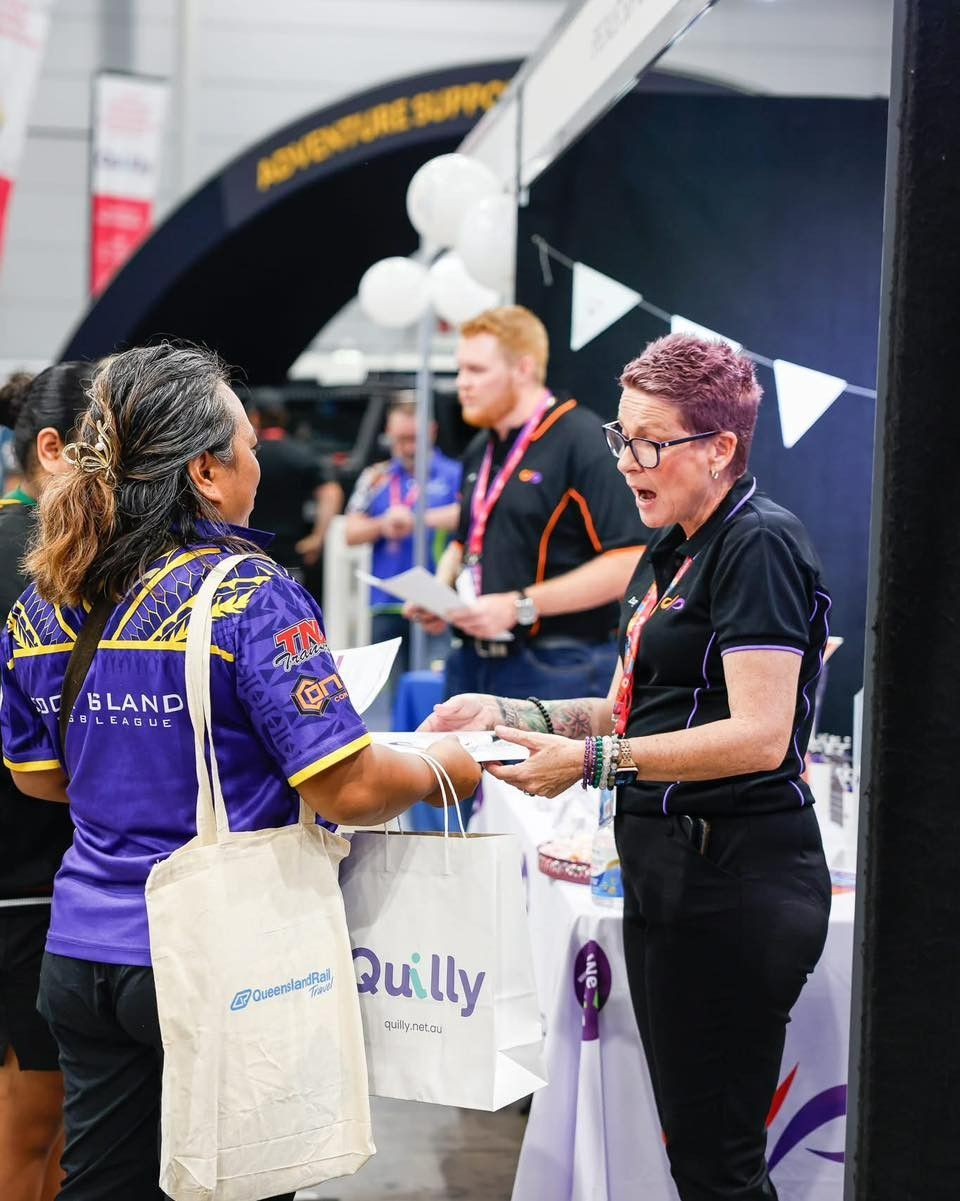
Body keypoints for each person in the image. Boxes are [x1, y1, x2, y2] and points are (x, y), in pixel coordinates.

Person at [0, 343, 481, 1201]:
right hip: (220, 953)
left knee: (101, 1184)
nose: (261, 459)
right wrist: (447, 765)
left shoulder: (49, 589)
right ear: (206, 472)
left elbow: (39, 775)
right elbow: (347, 787)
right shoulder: (246, 594)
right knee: (241, 1186)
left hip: (79, 952)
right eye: (250, 444)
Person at [422, 333, 833, 1201]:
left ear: (720, 447)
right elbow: (627, 710)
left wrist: (595, 762)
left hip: (735, 882)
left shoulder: (757, 544)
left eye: (652, 442)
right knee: (696, 1153)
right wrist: (514, 714)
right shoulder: (673, 543)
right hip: (670, 877)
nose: (629, 462)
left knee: (718, 1165)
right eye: (623, 438)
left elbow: (760, 735)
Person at [407, 305, 647, 703]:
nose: (462, 383)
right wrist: (440, 593)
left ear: (522, 369)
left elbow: (630, 559)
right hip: (470, 661)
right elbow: (463, 541)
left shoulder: (582, 441)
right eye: (460, 369)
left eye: (477, 370)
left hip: (558, 665)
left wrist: (520, 606)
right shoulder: (481, 447)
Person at [0, 362, 94, 1201]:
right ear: (56, 450)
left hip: (30, 883)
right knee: (37, 1138)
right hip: (32, 886)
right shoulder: (41, 566)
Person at [345, 396, 461, 674]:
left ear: (431, 431)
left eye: (414, 438)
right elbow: (350, 532)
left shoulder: (454, 473)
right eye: (400, 439)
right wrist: (383, 525)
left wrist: (417, 521)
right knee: (389, 699)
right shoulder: (375, 476)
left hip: (437, 600)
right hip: (386, 601)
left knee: (436, 689)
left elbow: (469, 515)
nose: (408, 447)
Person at [248, 397, 344, 580]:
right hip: (290, 555)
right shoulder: (302, 454)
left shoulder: (247, 456)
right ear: (284, 418)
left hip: (247, 552)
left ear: (255, 417)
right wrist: (317, 538)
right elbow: (331, 492)